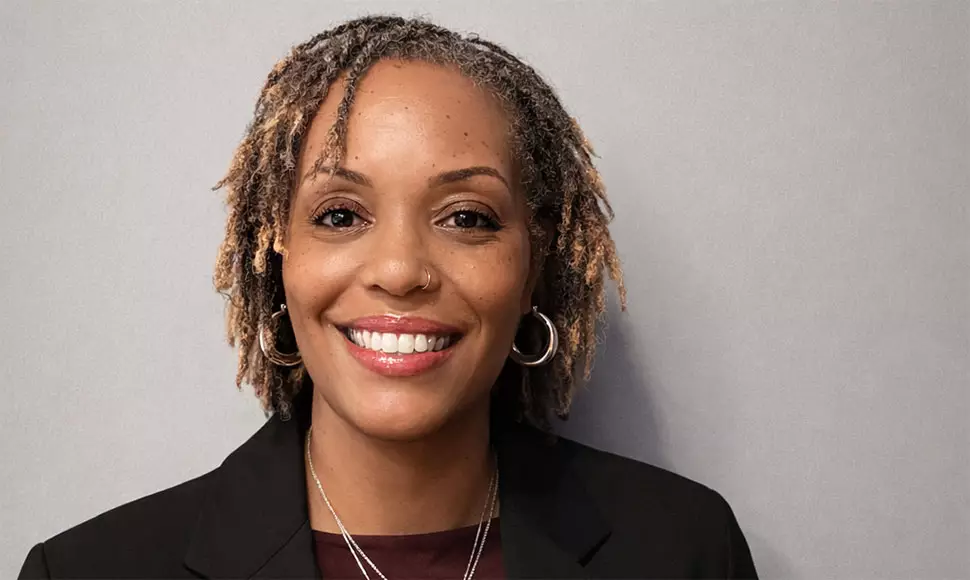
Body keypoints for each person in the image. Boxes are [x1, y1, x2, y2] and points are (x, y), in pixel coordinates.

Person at [18, 15, 757, 579]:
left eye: (467, 218)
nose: (401, 270)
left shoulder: (684, 549)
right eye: (340, 215)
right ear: (279, 256)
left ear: (532, 265)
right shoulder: (87, 570)